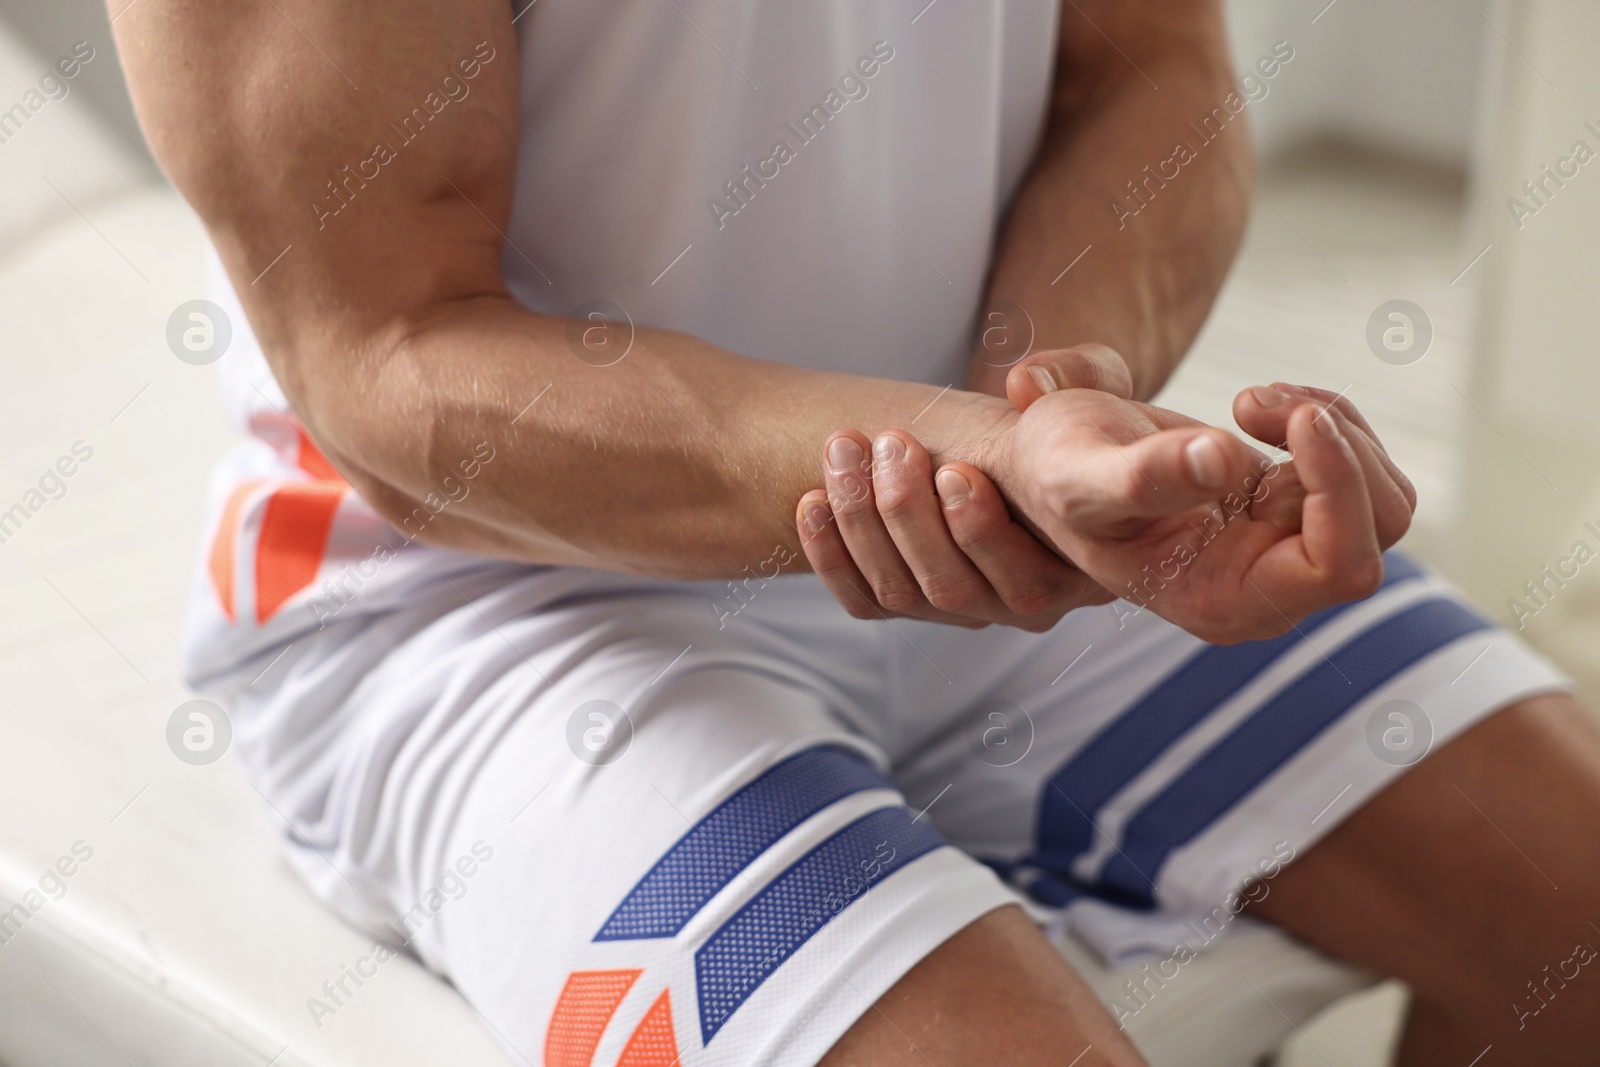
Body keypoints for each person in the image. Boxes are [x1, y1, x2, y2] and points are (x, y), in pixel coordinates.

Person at [113, 0, 1600, 1063]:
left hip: (1003, 514)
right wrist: (968, 464)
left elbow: (1153, 69)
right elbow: (385, 350)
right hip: (488, 606)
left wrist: (1051, 404)